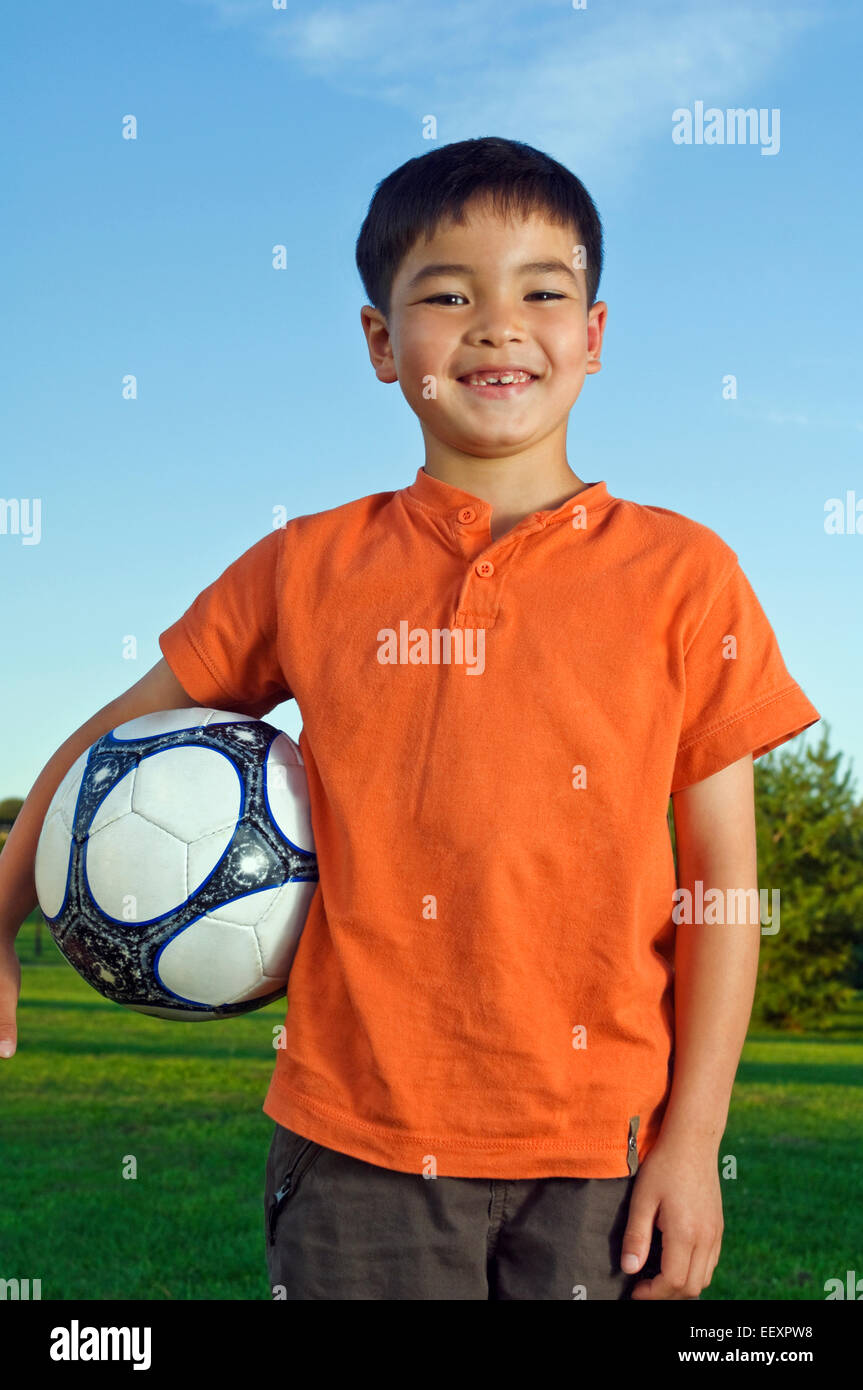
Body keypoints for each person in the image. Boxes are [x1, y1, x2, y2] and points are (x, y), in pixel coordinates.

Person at [0, 137, 820, 1301]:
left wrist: (692, 1142)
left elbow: (721, 886)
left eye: (542, 289)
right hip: (354, 1151)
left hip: (602, 1153)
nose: (496, 323)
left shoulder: (687, 576)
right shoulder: (304, 566)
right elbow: (103, 747)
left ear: (592, 335)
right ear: (383, 345)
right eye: (447, 294)